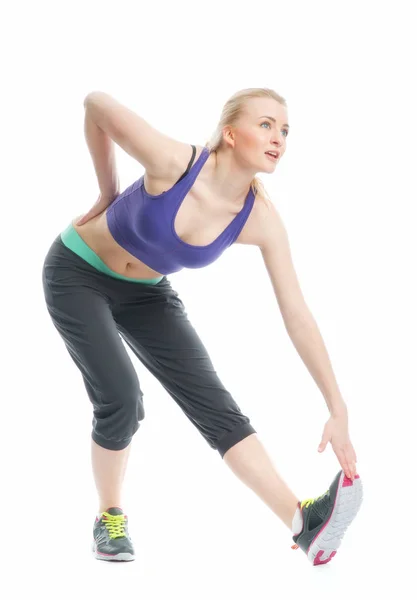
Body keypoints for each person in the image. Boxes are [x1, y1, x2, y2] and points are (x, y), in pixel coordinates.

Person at [42, 87, 363, 565]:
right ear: (231, 134)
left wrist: (337, 406)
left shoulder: (261, 219)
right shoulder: (175, 164)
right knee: (121, 397)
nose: (279, 137)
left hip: (147, 295)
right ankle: (109, 516)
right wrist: (108, 193)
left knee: (218, 408)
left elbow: (297, 314)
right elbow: (94, 104)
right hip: (77, 272)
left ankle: (305, 525)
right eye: (267, 124)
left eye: (286, 130)